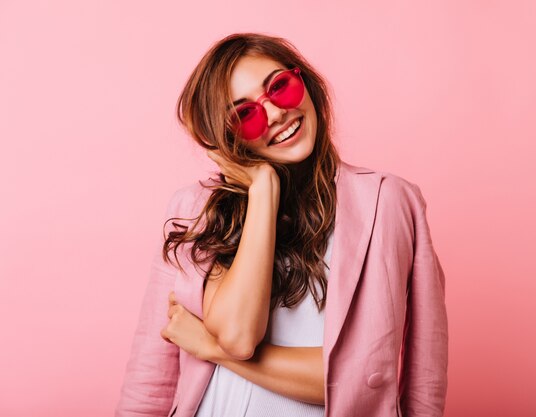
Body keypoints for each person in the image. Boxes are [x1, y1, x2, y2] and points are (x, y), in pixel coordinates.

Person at [115, 32, 448, 417]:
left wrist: (209, 347)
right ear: (226, 138)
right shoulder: (195, 208)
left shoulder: (388, 202)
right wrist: (262, 190)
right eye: (245, 115)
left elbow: (384, 375)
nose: (274, 114)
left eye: (279, 88)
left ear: (303, 80)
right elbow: (164, 372)